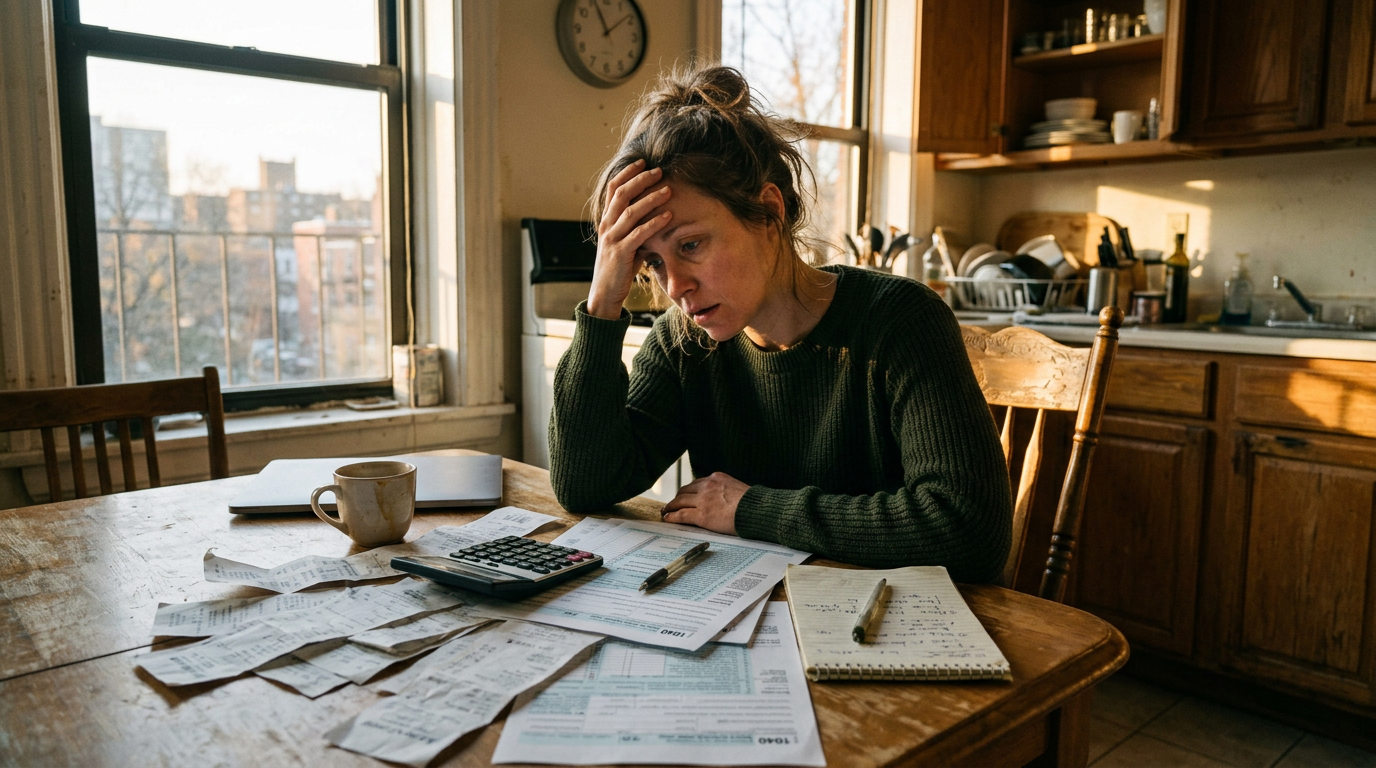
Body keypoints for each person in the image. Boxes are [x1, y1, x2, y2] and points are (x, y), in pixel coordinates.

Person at [548, 67, 1011, 583]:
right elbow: (583, 484)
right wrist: (603, 301)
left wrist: (750, 509)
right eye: (651, 261)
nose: (675, 285)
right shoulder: (685, 344)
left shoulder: (901, 322)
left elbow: (969, 532)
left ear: (768, 213)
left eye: (691, 245)